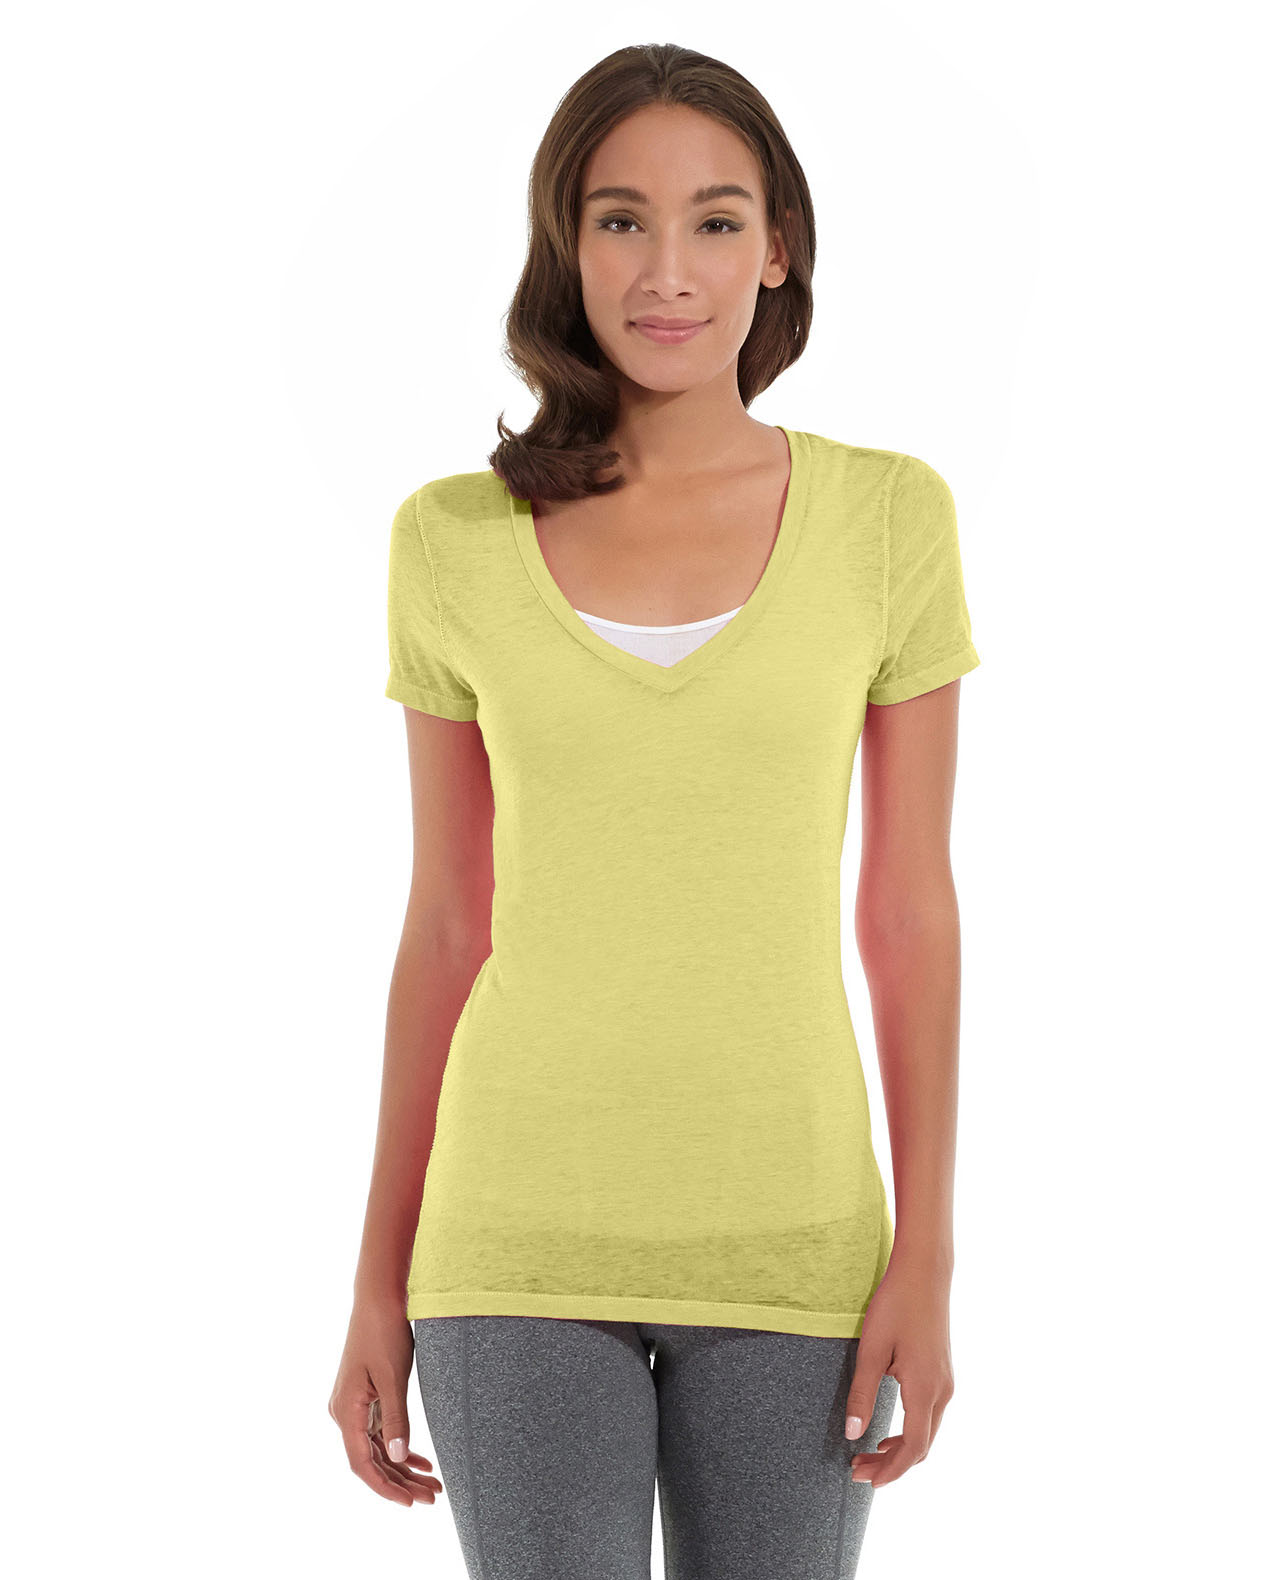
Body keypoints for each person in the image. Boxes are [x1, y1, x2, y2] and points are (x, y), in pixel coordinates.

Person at [329, 41, 980, 1580]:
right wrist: (375, 1277)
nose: (666, 269)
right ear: (564, 245)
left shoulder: (887, 518)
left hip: (795, 1246)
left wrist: (928, 1256)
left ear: (778, 248)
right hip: (510, 1242)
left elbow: (906, 914)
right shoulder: (451, 539)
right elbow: (446, 925)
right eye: (619, 219)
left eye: (714, 220)